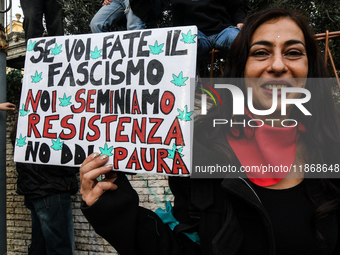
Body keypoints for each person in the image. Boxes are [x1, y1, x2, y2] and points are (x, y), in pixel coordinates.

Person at [80, 8, 340, 254]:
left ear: (310, 69)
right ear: (241, 68)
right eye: (261, 52)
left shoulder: (332, 148)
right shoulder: (200, 153)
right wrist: (112, 209)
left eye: (293, 52)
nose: (278, 65)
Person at [11, 129, 78, 254]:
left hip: (34, 191)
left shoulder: (24, 127)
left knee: (40, 244)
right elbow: (65, 164)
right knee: (60, 247)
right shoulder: (49, 129)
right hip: (51, 192)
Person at [171, 0, 245, 55]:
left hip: (223, 32)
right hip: (197, 35)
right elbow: (178, 21)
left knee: (239, 38)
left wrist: (240, 22)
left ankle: (241, 74)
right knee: (180, 43)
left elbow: (236, 7)